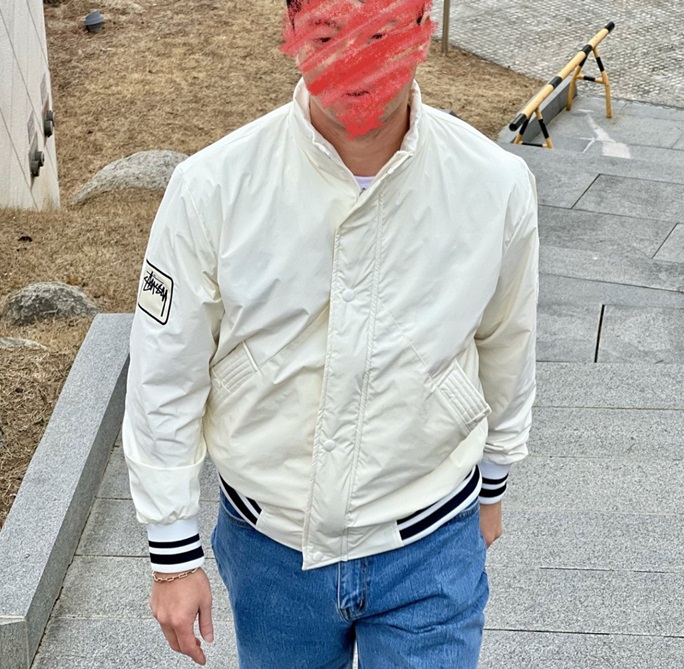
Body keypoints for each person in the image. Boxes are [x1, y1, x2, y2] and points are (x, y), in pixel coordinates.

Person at [122, 0, 538, 666]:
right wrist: (172, 552)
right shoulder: (211, 187)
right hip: (270, 547)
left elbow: (506, 338)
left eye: (382, 35)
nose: (356, 63)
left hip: (432, 538)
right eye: (327, 35)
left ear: (422, 33)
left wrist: (493, 481)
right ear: (290, 35)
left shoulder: (494, 183)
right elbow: (164, 369)